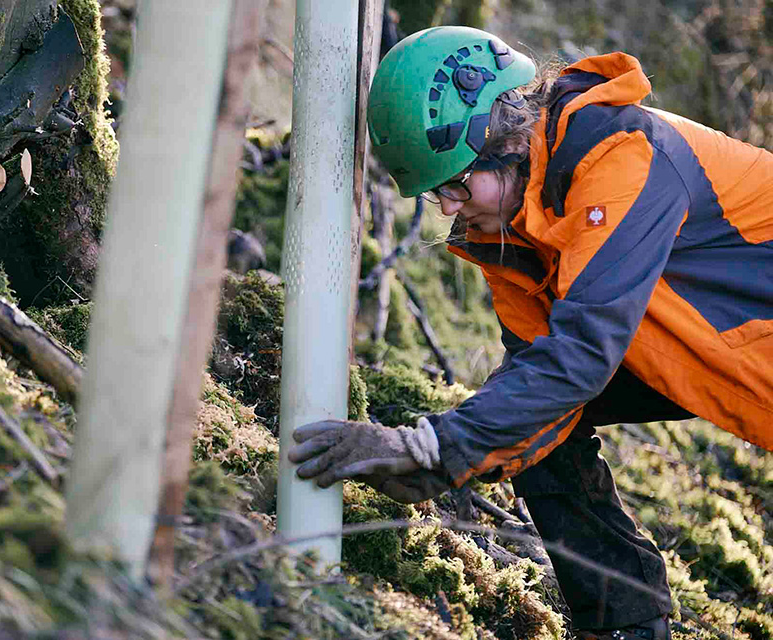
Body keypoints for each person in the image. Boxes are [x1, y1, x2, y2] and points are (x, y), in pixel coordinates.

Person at [287, 25, 773, 640]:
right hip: (716, 352)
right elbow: (538, 388)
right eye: (437, 193)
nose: (446, 208)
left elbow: (578, 357)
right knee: (527, 412)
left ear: (507, 135)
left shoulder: (620, 157)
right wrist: (445, 456)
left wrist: (432, 446)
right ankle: (624, 623)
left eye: (455, 184)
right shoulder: (514, 230)